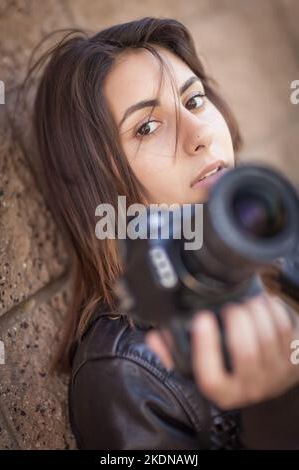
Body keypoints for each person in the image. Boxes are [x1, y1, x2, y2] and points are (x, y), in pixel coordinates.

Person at [24, 16, 299, 449]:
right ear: (100, 182)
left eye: (194, 101)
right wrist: (273, 407)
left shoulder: (280, 248)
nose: (199, 135)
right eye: (147, 127)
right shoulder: (124, 375)